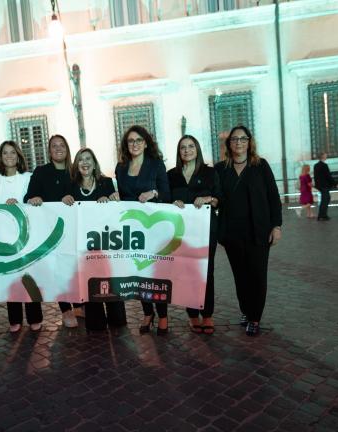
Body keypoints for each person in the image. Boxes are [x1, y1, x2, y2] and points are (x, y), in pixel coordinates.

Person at [215, 125, 282, 337]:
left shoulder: (260, 166)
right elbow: (214, 195)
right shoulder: (220, 169)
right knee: (240, 276)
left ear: (249, 142)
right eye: (234, 139)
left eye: (243, 139)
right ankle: (245, 310)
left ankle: (255, 317)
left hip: (259, 231)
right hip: (232, 233)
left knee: (257, 275)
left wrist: (276, 226)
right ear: (229, 144)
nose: (239, 142)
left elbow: (273, 196)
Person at [114, 125, 170, 335]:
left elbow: (167, 193)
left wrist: (153, 192)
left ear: (146, 143)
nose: (135, 144)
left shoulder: (155, 165)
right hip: (132, 229)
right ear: (126, 145)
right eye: (131, 141)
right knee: (138, 271)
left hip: (153, 226)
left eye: (138, 140)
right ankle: (148, 313)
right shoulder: (121, 167)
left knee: (155, 273)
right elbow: (121, 197)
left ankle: (163, 315)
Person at [62, 148, 125, 332]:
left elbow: (116, 210)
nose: (85, 162)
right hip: (84, 247)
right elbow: (66, 213)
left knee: (110, 279)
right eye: (80, 159)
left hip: (107, 245)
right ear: (76, 164)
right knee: (90, 282)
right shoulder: (71, 186)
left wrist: (113, 198)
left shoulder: (106, 183)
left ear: (94, 162)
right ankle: (96, 319)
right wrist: (63, 200)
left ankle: (116, 317)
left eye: (88, 158)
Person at [24, 134, 81, 328]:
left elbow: (85, 193)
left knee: (75, 268)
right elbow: (29, 196)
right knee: (59, 270)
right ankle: (66, 309)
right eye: (54, 146)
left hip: (75, 230)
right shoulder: (41, 172)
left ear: (67, 149)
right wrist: (35, 198)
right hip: (51, 232)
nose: (58, 149)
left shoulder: (75, 171)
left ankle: (79, 304)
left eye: (62, 145)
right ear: (49, 151)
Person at [0, 141, 43, 333]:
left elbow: (35, 200)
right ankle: (14, 319)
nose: (9, 156)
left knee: (29, 277)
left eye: (12, 152)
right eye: (5, 153)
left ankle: (35, 317)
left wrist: (22, 203)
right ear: (0, 157)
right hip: (2, 237)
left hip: (27, 236)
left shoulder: (28, 177)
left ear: (18, 156)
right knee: (10, 277)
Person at [167, 136, 221, 335]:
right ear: (179, 151)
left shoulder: (209, 172)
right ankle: (192, 314)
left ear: (197, 149)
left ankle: (207, 315)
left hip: (206, 230)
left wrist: (208, 198)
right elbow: (164, 201)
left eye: (190, 146)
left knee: (206, 272)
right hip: (181, 231)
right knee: (187, 272)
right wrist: (172, 204)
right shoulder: (171, 175)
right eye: (183, 147)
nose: (187, 150)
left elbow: (220, 199)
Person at [313, 152, 338, 221]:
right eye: (325, 155)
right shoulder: (324, 165)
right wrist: (335, 184)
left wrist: (317, 186)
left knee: (325, 199)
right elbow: (328, 176)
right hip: (324, 186)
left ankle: (322, 215)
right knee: (325, 200)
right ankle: (322, 215)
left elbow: (316, 177)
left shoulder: (316, 165)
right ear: (322, 156)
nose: (326, 156)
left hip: (320, 186)